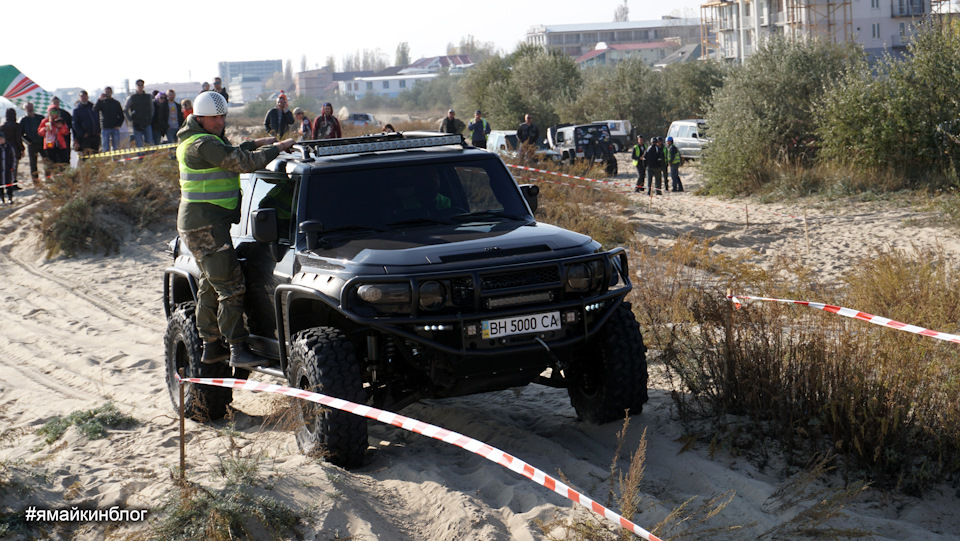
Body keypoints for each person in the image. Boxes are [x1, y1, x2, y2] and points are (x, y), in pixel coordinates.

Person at [176, 90, 296, 368]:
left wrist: (257, 142)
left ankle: (210, 345)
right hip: (204, 225)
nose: (220, 121)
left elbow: (230, 153)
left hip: (205, 223)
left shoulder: (203, 139)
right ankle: (237, 349)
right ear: (199, 118)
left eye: (222, 116)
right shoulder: (201, 144)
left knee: (210, 284)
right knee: (231, 286)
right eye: (214, 117)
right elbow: (241, 163)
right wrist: (277, 148)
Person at [38, 106, 71, 175]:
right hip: (49, 145)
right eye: (52, 112)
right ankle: (52, 179)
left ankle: (64, 178)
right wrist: (45, 129)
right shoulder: (45, 121)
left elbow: (66, 132)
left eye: (56, 112)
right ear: (49, 113)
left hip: (60, 145)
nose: (54, 113)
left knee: (62, 163)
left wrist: (60, 127)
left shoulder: (61, 120)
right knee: (51, 164)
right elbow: (40, 133)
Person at [124, 79, 154, 147]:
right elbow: (125, 109)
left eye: (141, 85)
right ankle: (141, 157)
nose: (140, 86)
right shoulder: (132, 97)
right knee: (139, 143)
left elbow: (152, 109)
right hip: (136, 124)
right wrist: (130, 120)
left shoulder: (148, 97)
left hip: (147, 123)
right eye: (138, 85)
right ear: (136, 86)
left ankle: (148, 157)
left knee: (149, 142)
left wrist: (150, 118)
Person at [94, 86, 124, 152]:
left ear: (112, 92)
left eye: (109, 92)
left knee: (116, 147)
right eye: (106, 92)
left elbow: (121, 115)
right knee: (105, 147)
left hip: (114, 128)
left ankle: (116, 161)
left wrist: (118, 125)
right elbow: (95, 110)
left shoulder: (116, 103)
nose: (108, 93)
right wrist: (99, 99)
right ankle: (106, 161)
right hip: (105, 128)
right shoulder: (101, 103)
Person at [19, 103, 44, 181]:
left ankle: (48, 178)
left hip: (42, 143)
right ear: (25, 109)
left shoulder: (40, 118)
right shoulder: (23, 120)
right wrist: (28, 142)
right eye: (28, 108)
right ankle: (35, 181)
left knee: (46, 161)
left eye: (31, 107)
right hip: (32, 144)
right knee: (33, 164)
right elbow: (20, 134)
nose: (30, 109)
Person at [1, 109, 23, 189]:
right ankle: (13, 184)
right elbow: (18, 139)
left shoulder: (2, 126)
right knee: (13, 167)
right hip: (15, 149)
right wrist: (22, 149)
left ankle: (5, 184)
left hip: (4, 149)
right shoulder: (16, 126)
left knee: (5, 168)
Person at [72, 90, 100, 154]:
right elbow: (75, 124)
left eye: (85, 96)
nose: (83, 98)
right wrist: (82, 133)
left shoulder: (93, 107)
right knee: (86, 155)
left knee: (95, 154)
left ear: (87, 97)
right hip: (85, 137)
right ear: (79, 98)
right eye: (82, 96)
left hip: (95, 135)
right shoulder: (77, 110)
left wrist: (99, 131)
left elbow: (98, 119)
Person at [0, 131, 15, 204]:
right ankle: (2, 199)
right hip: (0, 170)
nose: (0, 140)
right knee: (0, 186)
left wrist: (12, 167)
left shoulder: (9, 147)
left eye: (1, 138)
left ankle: (10, 198)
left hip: (7, 169)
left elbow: (13, 158)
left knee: (9, 184)